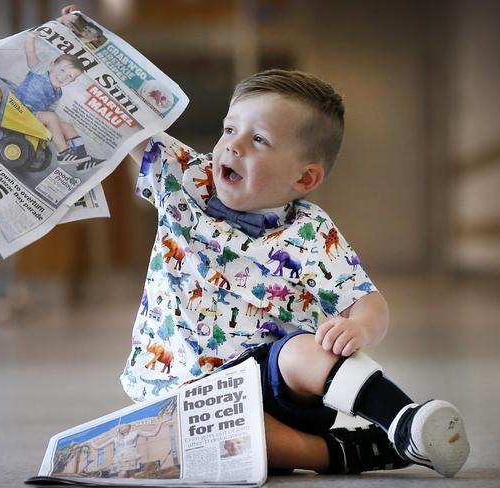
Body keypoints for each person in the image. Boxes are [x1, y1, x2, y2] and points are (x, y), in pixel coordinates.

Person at [58, 4, 469, 478]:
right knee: (235, 443)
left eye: (259, 140)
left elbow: (368, 301)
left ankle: (403, 419)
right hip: (187, 391)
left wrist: (362, 330)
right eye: (230, 130)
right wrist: (91, 50)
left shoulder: (309, 233)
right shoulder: (186, 179)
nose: (233, 145)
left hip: (276, 381)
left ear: (304, 177)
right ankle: (348, 452)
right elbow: (131, 121)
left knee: (301, 350)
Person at [17, 21, 93, 165]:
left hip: (36, 116)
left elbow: (50, 110)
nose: (64, 76)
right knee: (52, 118)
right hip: (20, 108)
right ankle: (63, 153)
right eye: (63, 70)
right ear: (52, 66)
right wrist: (30, 38)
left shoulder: (59, 93)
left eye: (70, 77)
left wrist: (60, 122)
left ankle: (82, 158)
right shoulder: (39, 71)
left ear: (71, 81)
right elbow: (30, 54)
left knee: (66, 125)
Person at [88, 419, 170, 477]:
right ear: (120, 429)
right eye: (123, 427)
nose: (126, 427)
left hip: (131, 456)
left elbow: (153, 433)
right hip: (120, 458)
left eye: (127, 426)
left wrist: (161, 423)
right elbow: (98, 446)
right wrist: (91, 442)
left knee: (130, 475)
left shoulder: (135, 433)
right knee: (122, 474)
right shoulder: (115, 438)